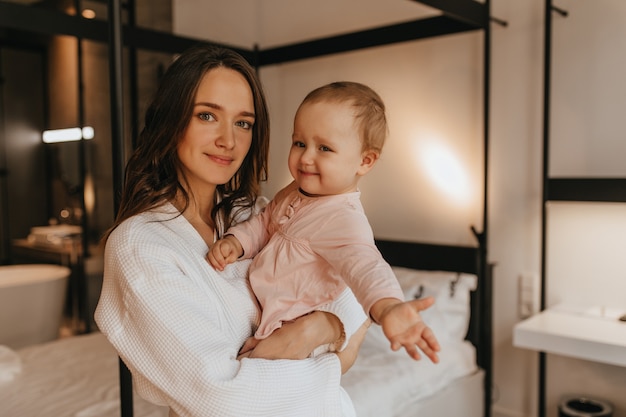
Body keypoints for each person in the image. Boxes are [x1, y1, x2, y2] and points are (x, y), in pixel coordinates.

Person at [94, 45, 391, 417]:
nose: (229, 141)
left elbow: (354, 301)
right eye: (206, 116)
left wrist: (325, 326)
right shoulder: (141, 245)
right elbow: (223, 397)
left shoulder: (258, 214)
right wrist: (331, 350)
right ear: (170, 121)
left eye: (243, 123)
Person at [208, 81, 441, 363]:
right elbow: (265, 221)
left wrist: (388, 307)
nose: (306, 157)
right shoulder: (294, 191)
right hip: (271, 313)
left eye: (325, 148)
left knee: (259, 377)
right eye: (300, 143)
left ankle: (343, 353)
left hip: (297, 324)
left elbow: (365, 266)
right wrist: (238, 241)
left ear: (365, 161)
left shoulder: (343, 219)